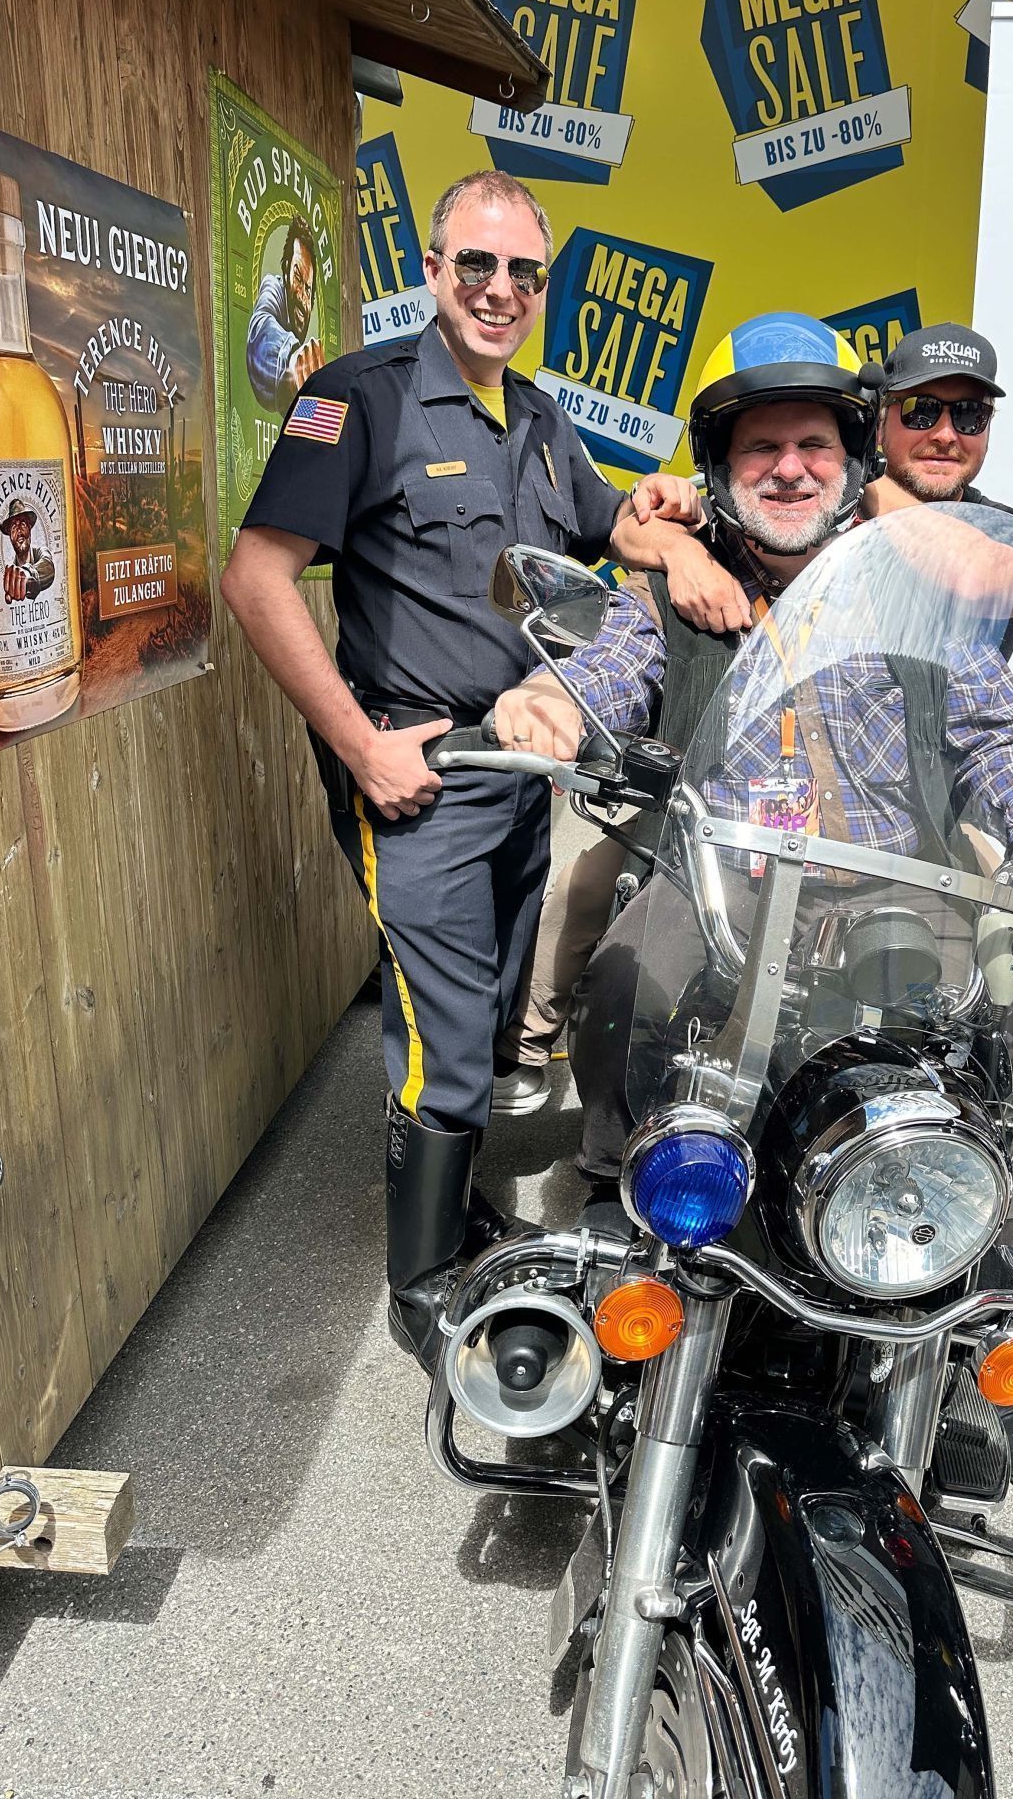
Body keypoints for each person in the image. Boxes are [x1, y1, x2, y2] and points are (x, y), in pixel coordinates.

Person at [496, 313, 1013, 1493]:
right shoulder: (672, 589)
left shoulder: (912, 595)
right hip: (722, 887)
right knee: (624, 972)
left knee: (999, 1047)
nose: (789, 468)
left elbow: (992, 729)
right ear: (719, 468)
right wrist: (550, 705)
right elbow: (607, 664)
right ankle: (620, 1234)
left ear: (850, 460)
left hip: (891, 889)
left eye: (814, 447)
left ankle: (972, 1324)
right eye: (761, 447)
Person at [219, 169, 744, 1372]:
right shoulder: (360, 399)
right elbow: (257, 577)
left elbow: (611, 524)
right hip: (420, 765)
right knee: (448, 1035)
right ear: (433, 270)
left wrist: (664, 522)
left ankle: (458, 1216)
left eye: (523, 272)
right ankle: (422, 1284)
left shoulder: (540, 417)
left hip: (523, 764)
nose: (501, 290)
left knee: (497, 1005)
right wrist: (359, 743)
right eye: (477, 266)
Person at [864, 323, 1013, 1170]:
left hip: (954, 784)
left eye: (968, 416)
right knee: (608, 919)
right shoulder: (815, 492)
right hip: (817, 786)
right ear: (881, 417)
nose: (946, 433)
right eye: (921, 410)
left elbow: (994, 607)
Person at [247, 216, 326, 410]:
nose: (302, 296)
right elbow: (261, 326)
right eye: (298, 277)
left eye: (308, 289)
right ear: (285, 271)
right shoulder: (273, 287)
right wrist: (292, 359)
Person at [0, 497, 55, 601]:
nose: (19, 530)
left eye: (23, 524)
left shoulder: (41, 552)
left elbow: (48, 566)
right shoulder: (10, 577)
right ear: (10, 536)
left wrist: (27, 574)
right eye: (14, 527)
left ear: (30, 529)